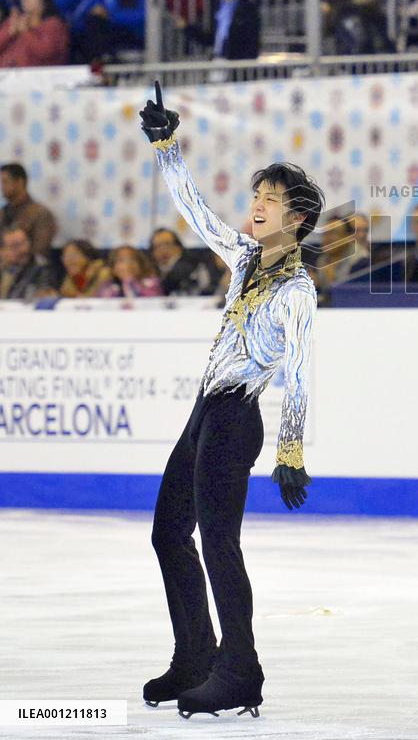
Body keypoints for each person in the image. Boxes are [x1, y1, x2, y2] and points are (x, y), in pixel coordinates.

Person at [139, 81, 324, 717]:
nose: (258, 206)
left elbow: (299, 372)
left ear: (297, 218)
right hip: (203, 413)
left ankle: (240, 670)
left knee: (219, 544)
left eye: (272, 199)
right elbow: (195, 212)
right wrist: (167, 146)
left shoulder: (297, 290)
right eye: (257, 196)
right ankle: (195, 656)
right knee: (169, 533)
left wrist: (291, 451)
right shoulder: (245, 258)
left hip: (236, 419)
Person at [180, 0, 260, 60]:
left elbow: (250, 42)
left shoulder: (248, 9)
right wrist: (187, 28)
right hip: (217, 60)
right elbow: (211, 39)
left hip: (237, 63)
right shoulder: (216, 7)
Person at [0, 0, 69, 67]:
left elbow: (45, 53)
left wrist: (26, 32)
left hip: (40, 73)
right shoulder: (15, 22)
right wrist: (9, 33)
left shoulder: (54, 24)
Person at [0, 162, 57, 259]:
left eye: (5, 182)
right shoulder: (2, 213)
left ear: (20, 182)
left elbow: (40, 250)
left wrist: (16, 253)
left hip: (29, 267)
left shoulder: (40, 213)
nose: (2, 187)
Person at [150, 227, 216, 295]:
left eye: (167, 244)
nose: (163, 250)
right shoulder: (149, 270)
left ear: (179, 247)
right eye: (158, 246)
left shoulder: (192, 265)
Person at [0, 226, 57, 300]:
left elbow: (44, 293)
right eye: (15, 246)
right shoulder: (3, 269)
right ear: (2, 251)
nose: (23, 249)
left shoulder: (41, 267)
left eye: (24, 242)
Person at [96, 246, 164, 298]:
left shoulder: (152, 282)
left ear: (141, 264)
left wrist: (130, 282)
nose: (128, 264)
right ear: (113, 269)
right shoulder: (107, 285)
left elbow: (152, 299)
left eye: (133, 259)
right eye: (121, 260)